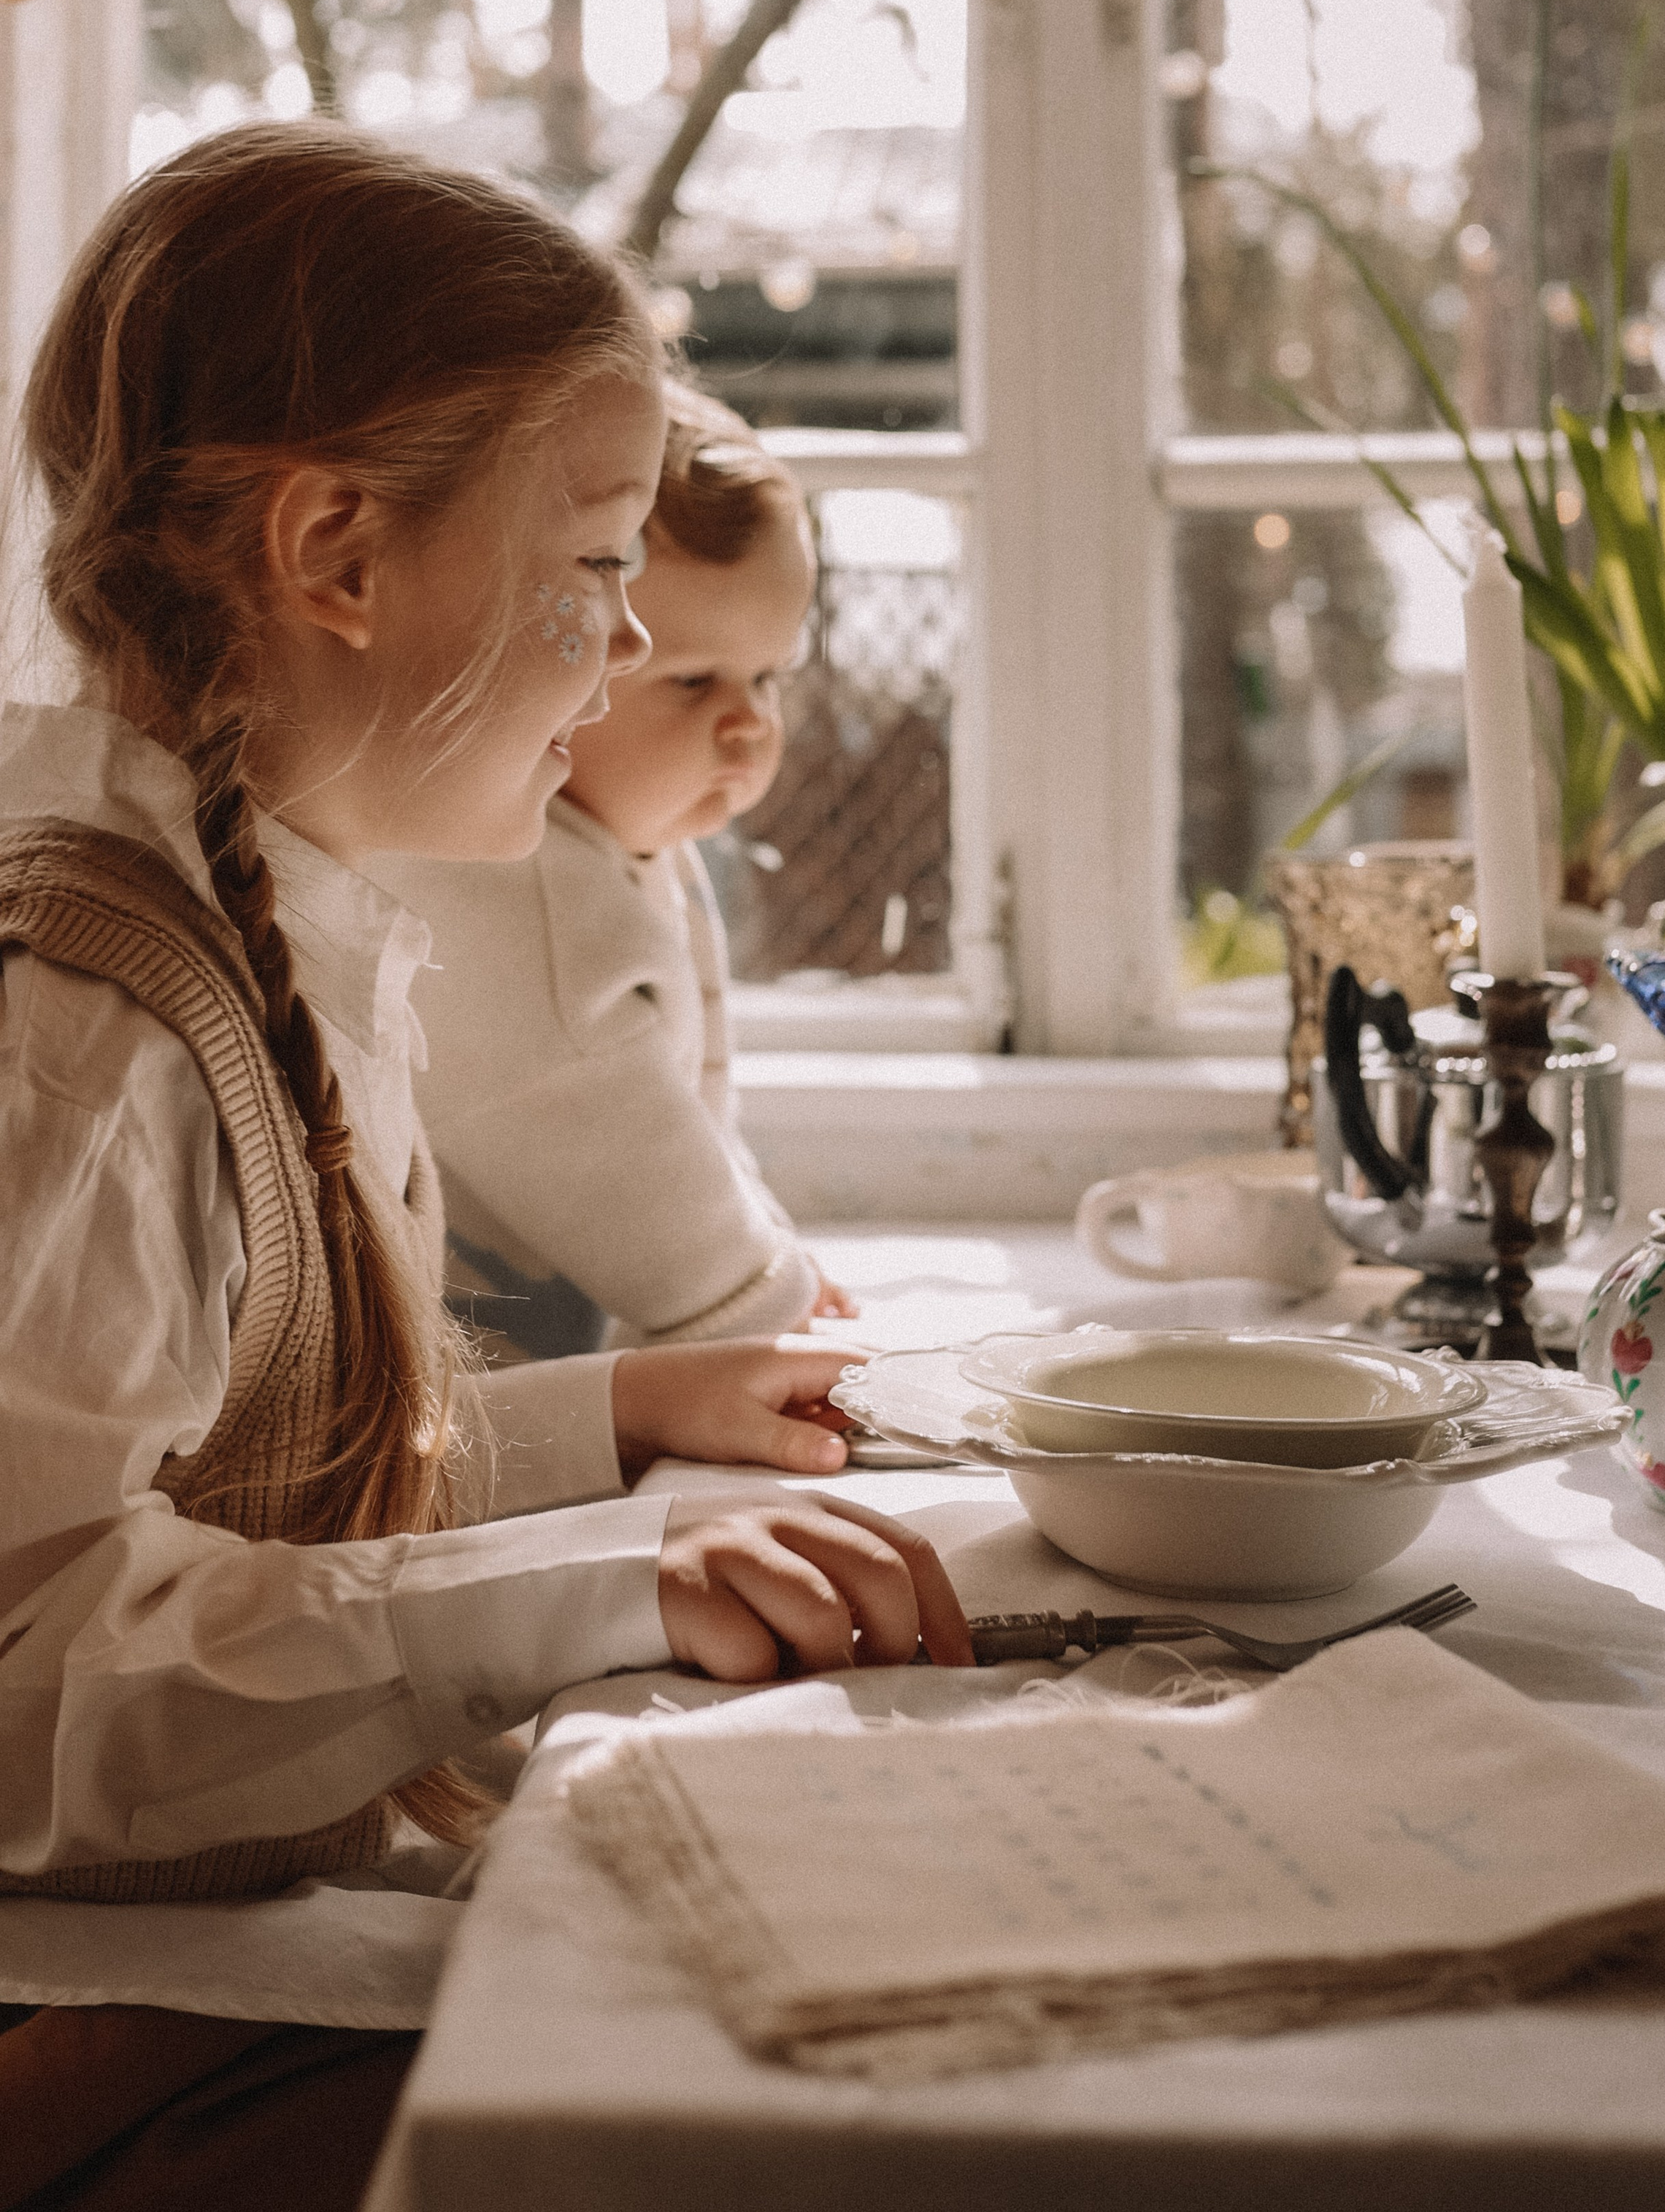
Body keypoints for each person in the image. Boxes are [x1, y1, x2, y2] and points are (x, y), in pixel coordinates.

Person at [0, 123, 970, 2210]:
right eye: (601, 568)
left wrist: (612, 1420)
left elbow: (243, 1491)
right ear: (337, 556)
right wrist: (583, 1589)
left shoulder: (289, 918)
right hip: (77, 2016)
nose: (627, 659)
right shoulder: (79, 1042)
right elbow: (36, 1684)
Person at [372, 383, 851, 1358]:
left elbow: (689, 1124)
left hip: (555, 1371)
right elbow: (635, 1165)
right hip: (462, 1415)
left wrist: (774, 1257)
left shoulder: (636, 844)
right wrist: (763, 1295)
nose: (750, 724)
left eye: (768, 677)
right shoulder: (519, 891)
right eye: (693, 681)